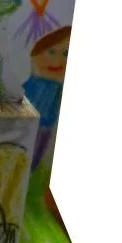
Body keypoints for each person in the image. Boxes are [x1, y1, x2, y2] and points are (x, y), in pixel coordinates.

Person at [22, 25, 71, 166]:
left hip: (44, 131)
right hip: (29, 127)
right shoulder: (33, 86)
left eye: (66, 54)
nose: (57, 61)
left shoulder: (56, 89)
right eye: (51, 51)